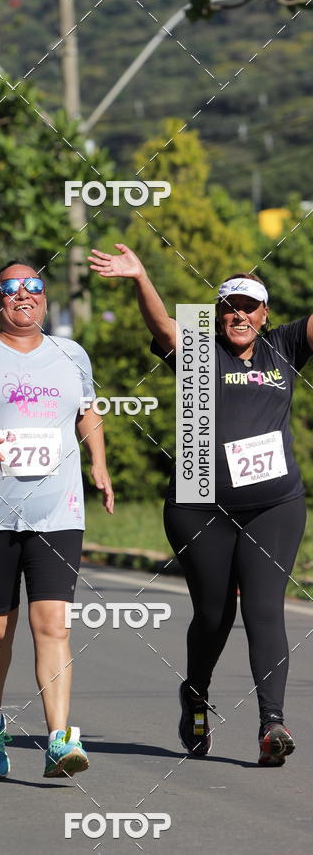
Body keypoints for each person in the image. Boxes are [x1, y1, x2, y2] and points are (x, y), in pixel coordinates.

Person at [89, 243, 312, 767]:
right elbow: (165, 326)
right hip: (199, 506)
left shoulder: (283, 347)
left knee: (263, 609)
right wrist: (141, 277)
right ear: (218, 314)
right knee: (215, 613)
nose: (239, 315)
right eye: (230, 306)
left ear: (265, 313)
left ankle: (271, 724)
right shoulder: (198, 349)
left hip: (274, 503)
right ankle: (196, 695)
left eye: (249, 306)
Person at [0, 260, 114, 780]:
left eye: (34, 287)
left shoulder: (71, 354)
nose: (24, 296)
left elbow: (88, 410)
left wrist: (98, 461)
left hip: (57, 509)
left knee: (52, 622)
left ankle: (59, 739)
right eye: (12, 289)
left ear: (45, 299)